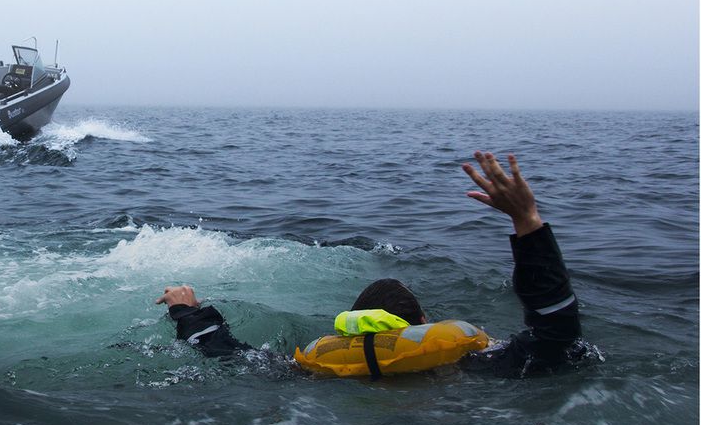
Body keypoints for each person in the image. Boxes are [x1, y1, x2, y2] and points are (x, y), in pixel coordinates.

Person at [155, 151, 586, 378]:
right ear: (420, 323)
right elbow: (557, 330)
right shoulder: (477, 368)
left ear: (354, 327)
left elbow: (225, 355)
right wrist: (526, 222)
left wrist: (188, 311)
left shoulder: (316, 373)